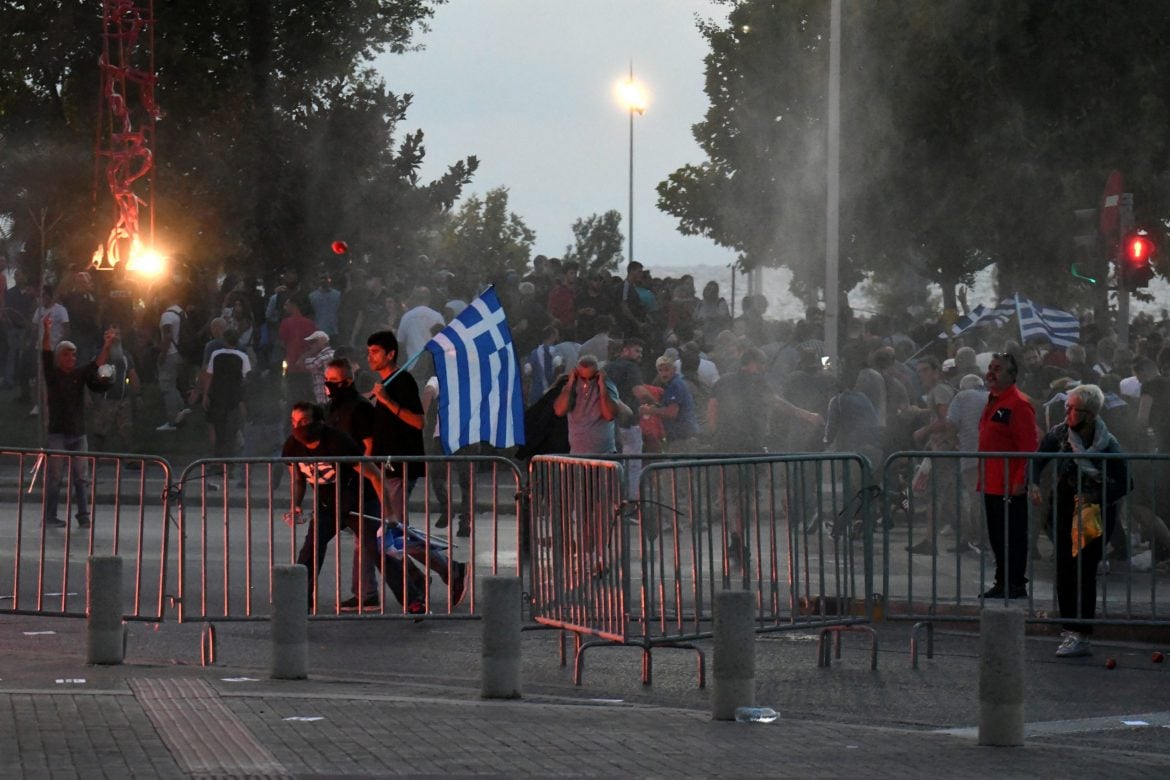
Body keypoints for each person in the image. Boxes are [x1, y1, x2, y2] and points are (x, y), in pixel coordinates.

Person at [283, 401, 425, 613]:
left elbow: (375, 475)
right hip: (327, 505)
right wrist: (295, 503)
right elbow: (298, 478)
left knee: (378, 552)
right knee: (310, 552)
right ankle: (299, 603)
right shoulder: (292, 446)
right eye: (294, 422)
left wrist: (389, 513)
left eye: (303, 421)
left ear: (318, 422)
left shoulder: (338, 442)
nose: (298, 427)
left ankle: (413, 600)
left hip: (359, 502)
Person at [1029, 384, 1128, 657]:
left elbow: (1125, 482)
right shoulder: (1060, 434)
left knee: (1084, 572)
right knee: (1064, 570)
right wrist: (1034, 483)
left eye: (1073, 409)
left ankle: (1082, 633)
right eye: (1067, 407)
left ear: (1090, 413)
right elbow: (1037, 459)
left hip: (1093, 514)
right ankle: (1069, 628)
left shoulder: (1108, 444)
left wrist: (1097, 494)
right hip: (1062, 510)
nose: (1067, 413)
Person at [367, 330, 467, 602]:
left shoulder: (403, 383)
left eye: (375, 351)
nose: (370, 357)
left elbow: (417, 421)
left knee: (394, 535)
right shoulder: (385, 383)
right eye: (368, 351)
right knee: (390, 534)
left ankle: (447, 570)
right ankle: (425, 576)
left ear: (390, 354)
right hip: (383, 468)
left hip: (400, 467)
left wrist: (387, 401)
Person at [40, 316, 114, 529]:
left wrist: (107, 345)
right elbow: (45, 353)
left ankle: (83, 515)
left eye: (73, 354)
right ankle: (50, 515)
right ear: (59, 357)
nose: (71, 358)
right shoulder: (53, 375)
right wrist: (47, 330)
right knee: (54, 477)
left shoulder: (79, 374)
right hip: (58, 433)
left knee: (81, 477)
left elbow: (96, 364)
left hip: (78, 433)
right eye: (66, 354)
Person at [978, 352, 1039, 599]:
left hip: (1009, 484)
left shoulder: (1019, 404)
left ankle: (1014, 583)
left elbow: (1028, 447)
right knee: (996, 536)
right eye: (991, 367)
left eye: (999, 369)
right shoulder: (992, 400)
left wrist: (1020, 480)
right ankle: (1002, 581)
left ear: (1012, 375)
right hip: (991, 482)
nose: (992, 372)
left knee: (1012, 536)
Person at [554, 354, 624, 455]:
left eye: (590, 378)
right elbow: (559, 411)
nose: (586, 382)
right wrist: (570, 383)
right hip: (577, 456)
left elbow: (609, 415)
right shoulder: (571, 387)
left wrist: (602, 386)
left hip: (604, 456)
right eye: (583, 378)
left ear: (597, 373)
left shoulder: (607, 385)